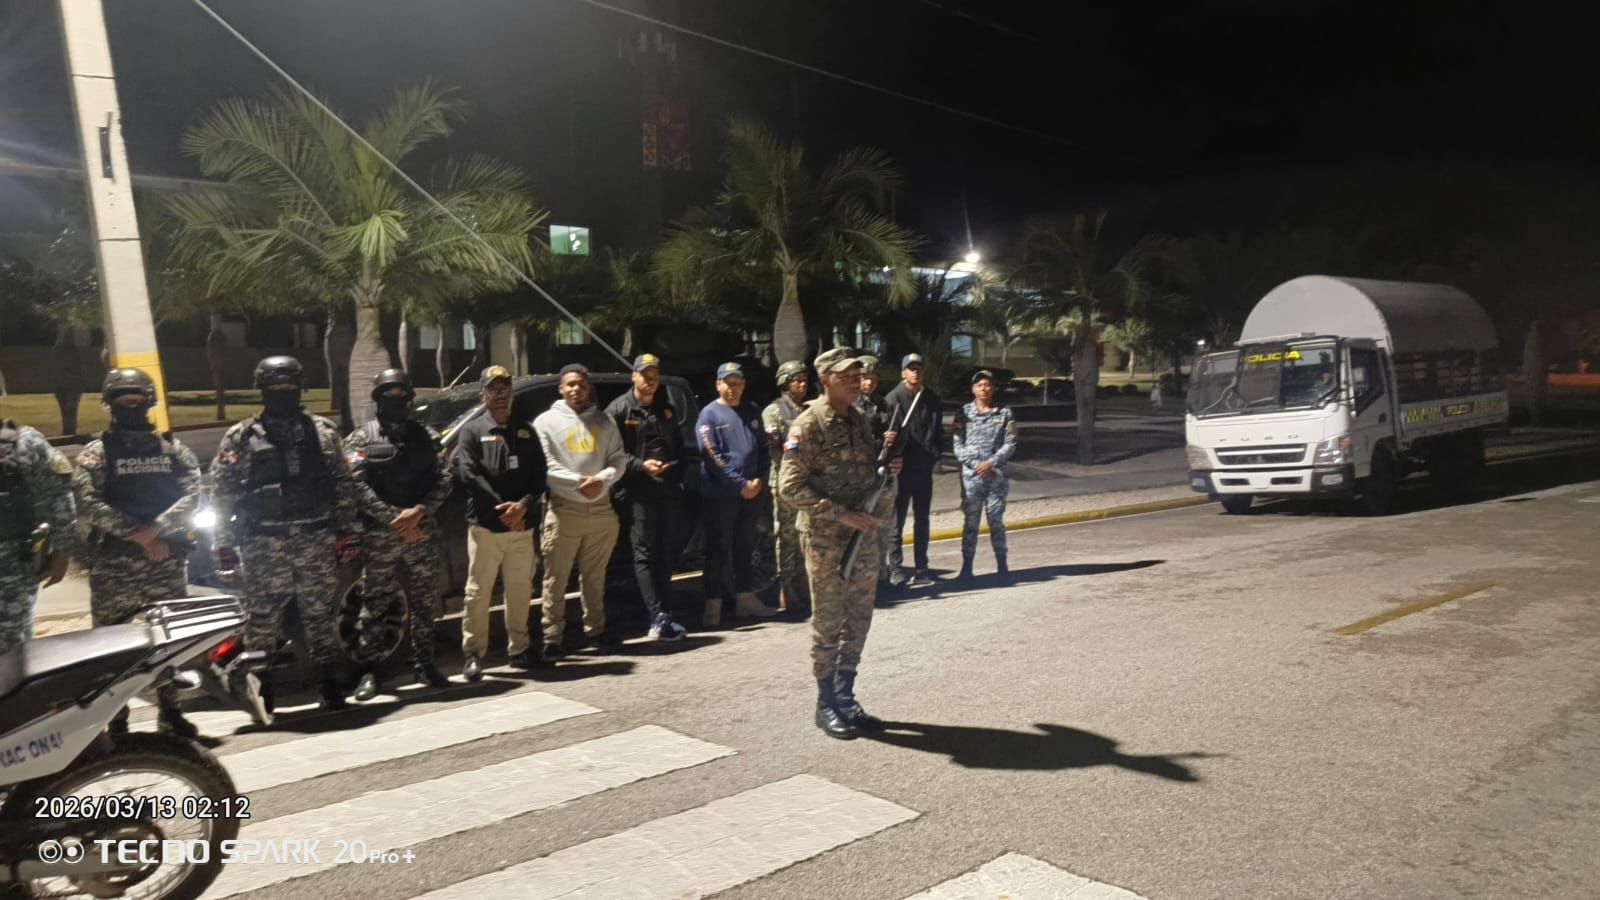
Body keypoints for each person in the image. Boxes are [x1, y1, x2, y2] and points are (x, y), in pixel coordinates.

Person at [211, 355, 389, 712]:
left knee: (319, 616)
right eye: (274, 387)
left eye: (289, 386)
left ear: (300, 388)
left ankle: (327, 683)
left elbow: (342, 484)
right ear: (261, 390)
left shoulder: (323, 432)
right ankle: (261, 691)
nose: (283, 392)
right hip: (264, 543)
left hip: (314, 539)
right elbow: (222, 492)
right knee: (263, 621)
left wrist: (345, 532)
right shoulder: (242, 436)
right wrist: (224, 545)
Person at [72, 369, 203, 736]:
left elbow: (194, 494)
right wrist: (138, 534)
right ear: (110, 405)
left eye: (137, 400)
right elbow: (85, 501)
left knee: (167, 639)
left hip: (164, 561)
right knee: (110, 647)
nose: (131, 406)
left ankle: (171, 711)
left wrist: (157, 528)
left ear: (150, 403)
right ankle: (116, 719)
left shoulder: (172, 449)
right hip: (116, 565)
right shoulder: (97, 453)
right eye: (123, 400)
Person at [779, 347, 902, 739]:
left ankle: (845, 695)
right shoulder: (808, 423)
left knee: (859, 618)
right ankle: (825, 703)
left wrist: (887, 473)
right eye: (845, 375)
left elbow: (868, 477)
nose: (854, 380)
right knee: (829, 622)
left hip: (861, 536)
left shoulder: (860, 420)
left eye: (856, 375)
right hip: (826, 539)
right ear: (825, 379)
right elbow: (789, 487)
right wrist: (838, 513)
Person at [345, 369, 454, 700]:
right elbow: (355, 485)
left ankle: (424, 662)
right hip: (382, 533)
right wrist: (392, 518)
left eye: (401, 395)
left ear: (409, 398)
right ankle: (370, 670)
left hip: (420, 530)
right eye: (388, 395)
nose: (395, 401)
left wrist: (419, 512)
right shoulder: (360, 439)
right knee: (375, 601)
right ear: (377, 399)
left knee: (425, 600)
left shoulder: (427, 437)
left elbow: (446, 478)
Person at [451, 365, 548, 679]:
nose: (501, 395)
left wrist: (523, 507)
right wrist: (503, 510)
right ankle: (473, 654)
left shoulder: (526, 430)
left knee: (520, 591)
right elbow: (470, 475)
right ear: (483, 396)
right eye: (494, 390)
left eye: (505, 389)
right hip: (486, 528)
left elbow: (540, 476)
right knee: (478, 594)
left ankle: (520, 650)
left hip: (521, 527)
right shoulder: (472, 431)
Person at [535, 364, 627, 661]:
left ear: (588, 388)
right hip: (565, 508)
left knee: (595, 576)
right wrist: (580, 483)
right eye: (571, 385)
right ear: (561, 389)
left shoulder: (604, 421)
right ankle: (552, 637)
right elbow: (546, 466)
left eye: (582, 385)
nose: (576, 389)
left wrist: (602, 480)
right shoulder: (545, 422)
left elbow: (618, 459)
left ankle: (596, 630)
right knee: (556, 577)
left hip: (601, 508)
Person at [604, 353, 689, 642]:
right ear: (634, 376)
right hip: (637, 492)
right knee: (644, 555)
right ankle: (656, 616)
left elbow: (678, 447)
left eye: (654, 375)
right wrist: (642, 466)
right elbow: (612, 455)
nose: (651, 380)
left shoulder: (666, 409)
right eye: (645, 374)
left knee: (666, 553)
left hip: (667, 490)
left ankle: (667, 611)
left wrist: (675, 472)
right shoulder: (618, 410)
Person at [697, 362, 779, 626]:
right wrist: (739, 484)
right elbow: (711, 455)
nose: (733, 388)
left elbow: (763, 449)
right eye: (728, 383)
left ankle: (745, 599)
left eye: (738, 383)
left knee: (744, 546)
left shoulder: (751, 411)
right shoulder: (709, 415)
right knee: (718, 548)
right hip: (721, 494)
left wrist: (758, 481)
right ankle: (713, 604)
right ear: (718, 384)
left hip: (752, 492)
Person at [0, 417, 74, 656]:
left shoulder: (24, 441)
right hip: (12, 572)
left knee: (12, 653)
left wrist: (62, 552)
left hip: (12, 571)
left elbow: (59, 496)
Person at [884, 352, 943, 588]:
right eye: (911, 368)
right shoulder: (893, 399)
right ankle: (896, 569)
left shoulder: (930, 398)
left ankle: (921, 568)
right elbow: (888, 436)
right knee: (896, 522)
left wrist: (936, 458)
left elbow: (938, 430)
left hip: (923, 469)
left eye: (918, 368)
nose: (915, 372)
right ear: (903, 373)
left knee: (922, 520)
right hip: (901, 470)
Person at [953, 370, 1017, 583]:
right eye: (979, 385)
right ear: (973, 389)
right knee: (971, 523)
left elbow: (1010, 443)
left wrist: (991, 462)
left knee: (996, 521)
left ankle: (1002, 567)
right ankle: (966, 569)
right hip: (972, 478)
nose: (984, 388)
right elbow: (957, 445)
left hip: (996, 476)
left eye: (988, 384)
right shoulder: (963, 413)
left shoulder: (1005, 413)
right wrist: (975, 465)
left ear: (994, 388)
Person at [762, 360, 811, 617]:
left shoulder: (809, 409)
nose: (802, 384)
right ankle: (787, 588)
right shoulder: (774, 411)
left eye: (804, 380)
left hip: (806, 482)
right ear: (784, 383)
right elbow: (774, 448)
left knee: (803, 535)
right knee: (786, 536)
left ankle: (803, 585)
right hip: (784, 481)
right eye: (796, 380)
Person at [854, 355, 897, 589]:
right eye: (864, 378)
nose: (868, 383)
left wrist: (892, 440)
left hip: (883, 475)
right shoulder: (850, 405)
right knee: (861, 530)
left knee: (882, 527)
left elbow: (894, 437)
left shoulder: (884, 404)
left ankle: (881, 575)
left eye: (872, 378)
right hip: (860, 477)